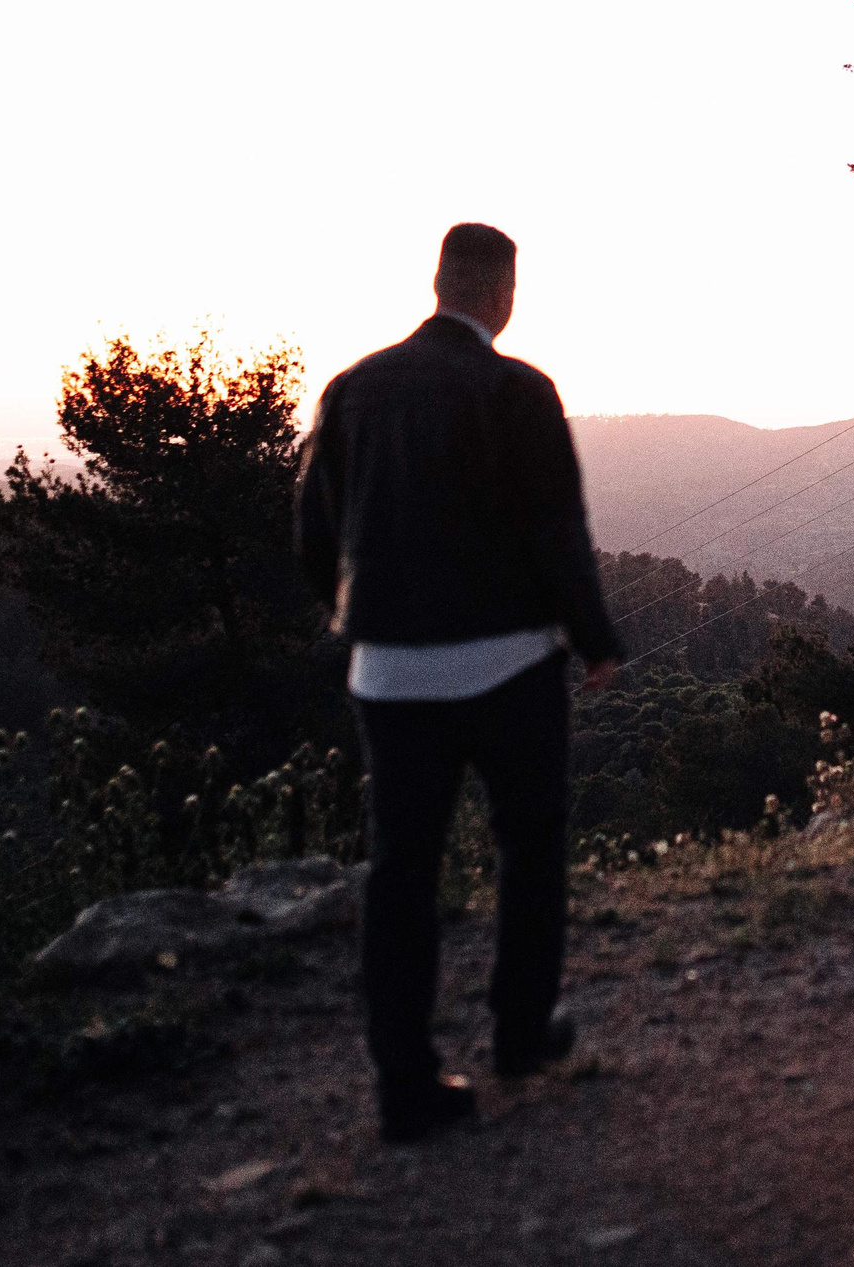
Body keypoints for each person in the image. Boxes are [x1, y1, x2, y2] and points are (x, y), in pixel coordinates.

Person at [295, 222, 622, 1144]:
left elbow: (315, 536)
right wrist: (594, 639)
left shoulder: (353, 388)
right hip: (510, 659)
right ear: (502, 297)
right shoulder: (518, 391)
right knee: (530, 846)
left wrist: (359, 618)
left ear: (438, 283)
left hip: (390, 671)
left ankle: (404, 1081)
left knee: (400, 869)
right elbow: (559, 531)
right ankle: (521, 1032)